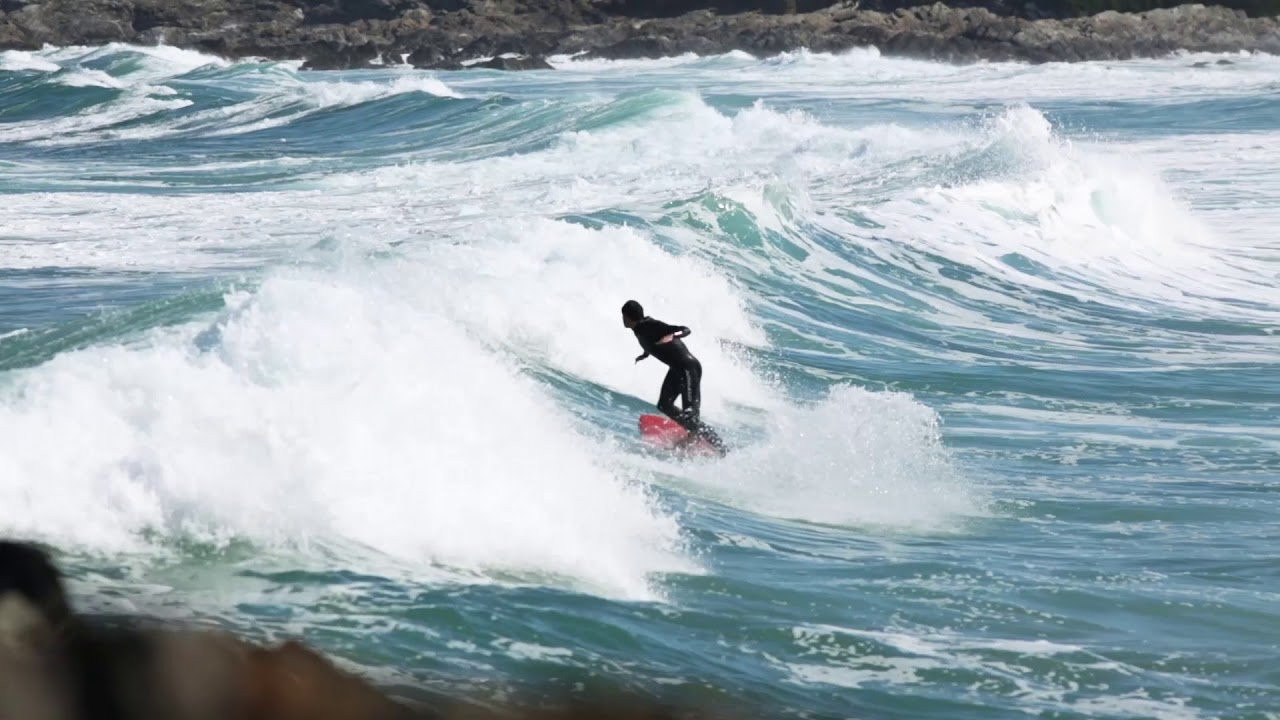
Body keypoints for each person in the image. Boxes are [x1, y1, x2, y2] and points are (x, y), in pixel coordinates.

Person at [622, 300, 726, 454]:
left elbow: (685, 330)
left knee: (690, 414)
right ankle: (692, 431)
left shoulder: (648, 325)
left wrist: (671, 336)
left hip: (688, 369)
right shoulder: (640, 330)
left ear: (627, 317)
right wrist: (645, 354)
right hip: (677, 369)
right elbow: (650, 342)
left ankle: (721, 448)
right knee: (664, 405)